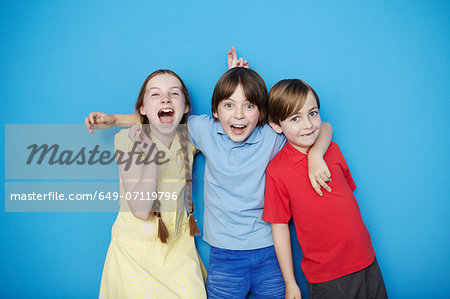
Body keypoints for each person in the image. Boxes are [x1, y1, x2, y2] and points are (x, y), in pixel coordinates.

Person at [86, 48, 334, 298]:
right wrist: (115, 120)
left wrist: (315, 155)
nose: (238, 114)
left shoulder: (261, 135)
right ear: (215, 111)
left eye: (248, 106)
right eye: (228, 106)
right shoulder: (192, 132)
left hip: (251, 250)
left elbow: (319, 126)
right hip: (198, 254)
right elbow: (155, 120)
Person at [263, 79, 388, 299]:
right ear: (276, 125)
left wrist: (316, 153)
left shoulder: (332, 150)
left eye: (313, 113)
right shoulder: (277, 171)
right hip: (327, 277)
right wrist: (290, 282)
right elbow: (279, 227)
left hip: (367, 261)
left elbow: (345, 202)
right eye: (295, 118)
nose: (308, 125)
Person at [97, 69, 206, 298]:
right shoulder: (127, 140)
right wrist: (149, 155)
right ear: (143, 109)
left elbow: (227, 120)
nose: (165, 99)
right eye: (155, 94)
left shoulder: (189, 137)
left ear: (185, 107)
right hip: (134, 250)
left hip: (178, 246)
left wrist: (237, 78)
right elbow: (140, 210)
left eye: (174, 94)